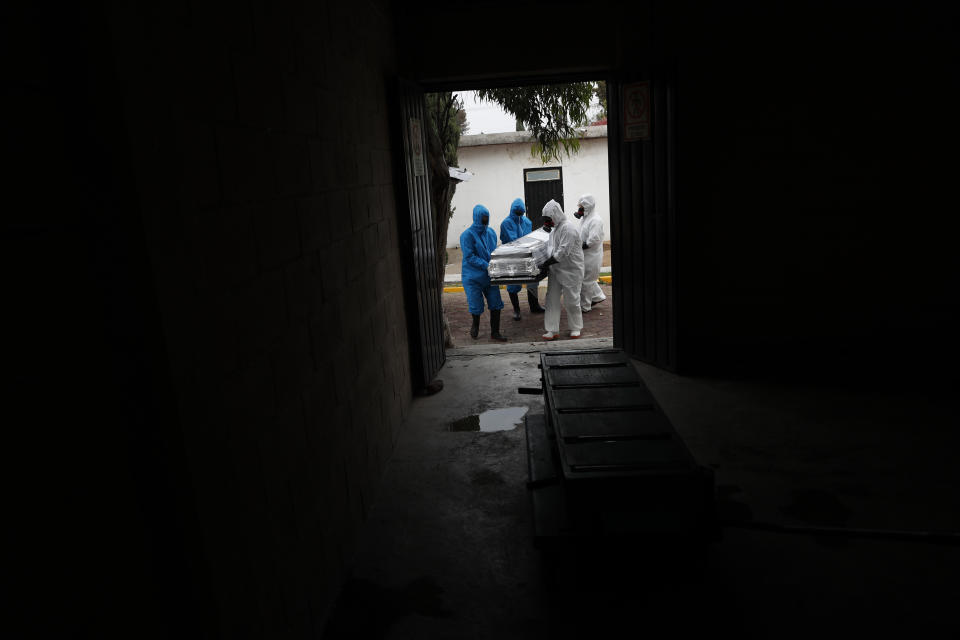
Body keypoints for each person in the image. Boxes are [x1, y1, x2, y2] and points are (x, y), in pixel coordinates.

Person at [460, 204, 508, 341]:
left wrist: (499, 262)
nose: (485, 220)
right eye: (483, 218)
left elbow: (494, 251)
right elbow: (469, 257)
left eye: (487, 218)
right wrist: (486, 265)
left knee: (496, 302)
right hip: (472, 276)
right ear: (476, 217)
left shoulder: (491, 233)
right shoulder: (467, 236)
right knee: (475, 304)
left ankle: (495, 332)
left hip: (489, 276)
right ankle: (475, 325)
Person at [538, 200, 584, 340]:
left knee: (572, 300)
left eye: (548, 219)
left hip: (571, 270)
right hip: (556, 270)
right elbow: (551, 248)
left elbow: (562, 252)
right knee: (551, 299)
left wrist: (545, 263)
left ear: (556, 215)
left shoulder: (568, 228)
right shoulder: (556, 228)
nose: (547, 223)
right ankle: (552, 330)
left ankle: (575, 328)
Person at [499, 197, 546, 320]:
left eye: (521, 213)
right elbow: (511, 240)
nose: (519, 216)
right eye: (517, 213)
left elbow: (530, 238)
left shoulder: (527, 222)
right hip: (512, 257)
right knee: (513, 284)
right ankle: (516, 309)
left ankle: (534, 306)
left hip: (527, 256)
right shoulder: (506, 223)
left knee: (533, 281)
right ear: (512, 211)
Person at [574, 193, 607, 313]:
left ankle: (585, 307)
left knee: (586, 281)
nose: (579, 209)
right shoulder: (585, 218)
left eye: (581, 207)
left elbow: (594, 239)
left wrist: (580, 246)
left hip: (591, 255)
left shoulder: (595, 220)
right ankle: (598, 296)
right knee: (587, 279)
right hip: (585, 254)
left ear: (588, 206)